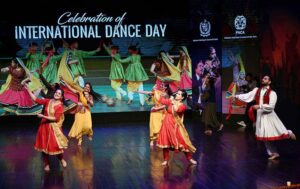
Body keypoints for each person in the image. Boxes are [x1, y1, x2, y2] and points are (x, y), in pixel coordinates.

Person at [234, 75, 296, 160]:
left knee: (277, 131)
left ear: (269, 82)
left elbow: (271, 106)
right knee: (265, 136)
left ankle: (288, 133)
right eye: (263, 78)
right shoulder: (257, 90)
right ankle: (274, 153)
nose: (263, 79)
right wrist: (236, 96)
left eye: (265, 79)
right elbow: (248, 96)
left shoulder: (272, 93)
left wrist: (259, 106)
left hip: (269, 116)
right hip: (261, 116)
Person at [25, 86, 68, 171]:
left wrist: (43, 116)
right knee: (43, 145)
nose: (57, 94)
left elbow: (55, 118)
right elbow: (36, 100)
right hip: (44, 127)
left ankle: (61, 159)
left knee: (56, 145)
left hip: (54, 128)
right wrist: (28, 90)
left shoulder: (60, 106)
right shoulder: (48, 101)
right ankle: (47, 164)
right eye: (56, 92)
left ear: (61, 97)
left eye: (59, 94)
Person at [155, 89, 197, 166]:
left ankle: (189, 158)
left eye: (179, 94)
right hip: (166, 125)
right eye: (177, 93)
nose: (176, 94)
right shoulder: (171, 101)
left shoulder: (182, 106)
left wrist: (172, 101)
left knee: (183, 142)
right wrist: (156, 91)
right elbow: (161, 100)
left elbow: (177, 110)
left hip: (175, 126)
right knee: (166, 142)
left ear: (182, 97)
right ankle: (166, 160)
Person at [60, 76, 94, 146]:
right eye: (86, 86)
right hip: (79, 111)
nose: (86, 88)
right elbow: (70, 88)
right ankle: (80, 140)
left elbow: (92, 104)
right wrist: (64, 80)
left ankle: (89, 134)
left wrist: (89, 100)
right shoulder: (80, 92)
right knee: (79, 126)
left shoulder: (90, 96)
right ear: (84, 87)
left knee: (88, 126)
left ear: (89, 89)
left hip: (86, 111)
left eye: (88, 87)